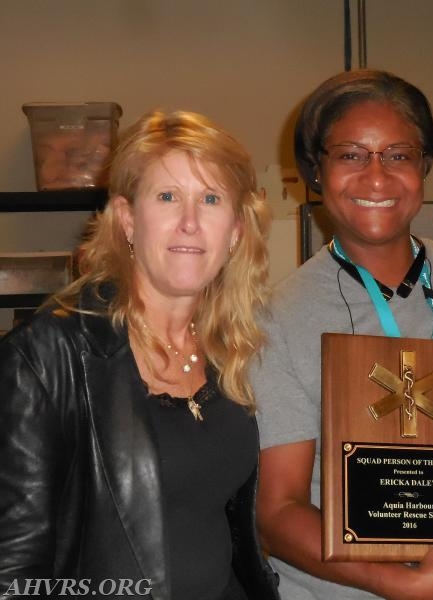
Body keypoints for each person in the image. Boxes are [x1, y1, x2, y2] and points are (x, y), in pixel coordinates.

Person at [252, 69, 433, 600]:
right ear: (315, 169)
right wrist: (405, 585)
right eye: (351, 155)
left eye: (398, 155)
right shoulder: (278, 317)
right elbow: (278, 509)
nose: (376, 178)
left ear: (423, 167)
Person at [0, 109, 280, 600]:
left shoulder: (227, 346)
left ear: (235, 231)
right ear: (128, 219)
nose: (190, 223)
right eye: (168, 196)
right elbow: (12, 574)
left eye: (210, 199)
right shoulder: (46, 358)